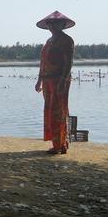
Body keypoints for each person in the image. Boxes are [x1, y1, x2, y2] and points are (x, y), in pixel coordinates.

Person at [34, 11, 75, 154]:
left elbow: (68, 63)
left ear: (62, 25)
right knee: (50, 110)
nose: (52, 26)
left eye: (55, 23)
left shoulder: (67, 40)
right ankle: (58, 143)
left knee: (59, 110)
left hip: (59, 79)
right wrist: (39, 80)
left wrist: (63, 81)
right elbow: (43, 62)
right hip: (47, 79)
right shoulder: (49, 42)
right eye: (50, 23)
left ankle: (60, 144)